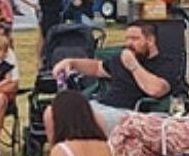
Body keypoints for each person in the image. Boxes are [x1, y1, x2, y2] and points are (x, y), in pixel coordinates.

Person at [52, 20, 180, 136]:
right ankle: (60, 155)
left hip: (129, 114)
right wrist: (71, 62)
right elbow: (97, 68)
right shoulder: (122, 58)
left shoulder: (166, 63)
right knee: (53, 112)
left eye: (135, 38)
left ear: (150, 40)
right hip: (101, 105)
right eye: (127, 39)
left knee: (88, 119)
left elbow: (156, 90)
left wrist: (134, 66)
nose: (129, 43)